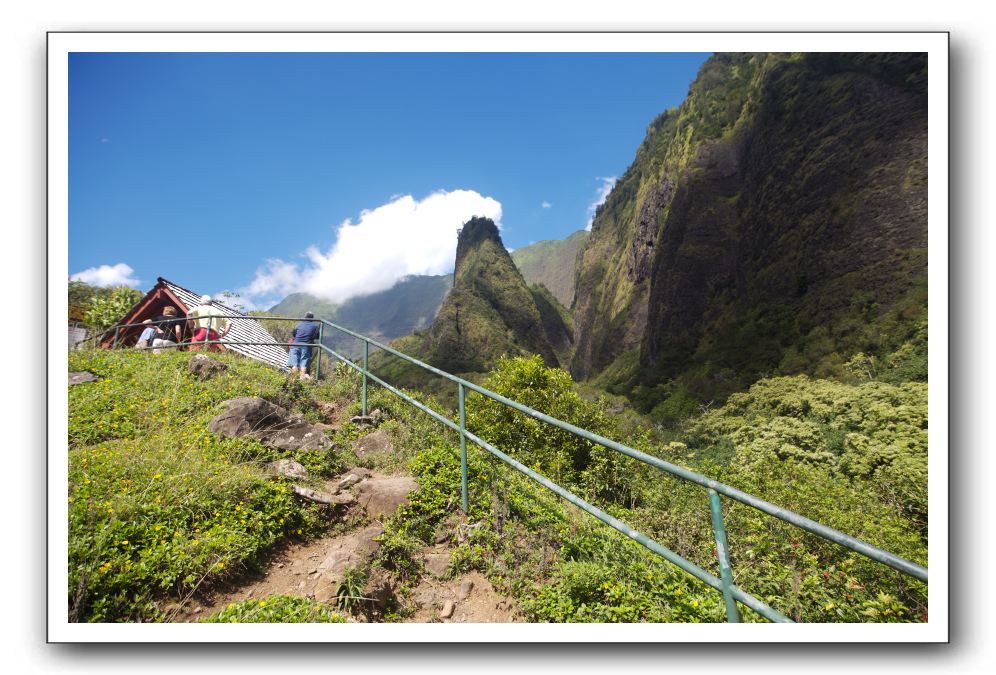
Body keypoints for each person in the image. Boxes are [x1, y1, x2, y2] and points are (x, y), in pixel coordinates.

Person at [287, 311, 319, 380]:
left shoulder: (298, 325)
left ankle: (293, 379)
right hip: (306, 346)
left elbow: (294, 334)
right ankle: (302, 378)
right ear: (312, 319)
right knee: (304, 362)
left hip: (295, 345)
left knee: (294, 364)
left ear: (305, 318)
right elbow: (317, 336)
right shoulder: (315, 326)